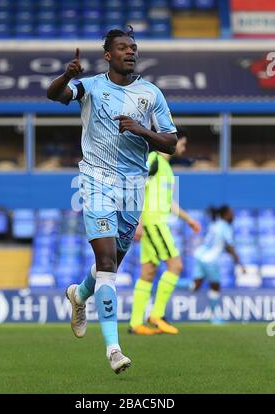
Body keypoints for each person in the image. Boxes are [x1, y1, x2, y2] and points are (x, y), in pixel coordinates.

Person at [47, 26, 177, 374]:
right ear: (108, 55)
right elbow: (54, 95)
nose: (130, 52)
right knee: (106, 263)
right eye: (123, 48)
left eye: (133, 47)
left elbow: (171, 143)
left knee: (112, 263)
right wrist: (66, 75)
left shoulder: (151, 94)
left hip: (133, 188)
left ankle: (78, 295)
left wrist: (143, 130)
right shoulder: (90, 87)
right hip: (95, 181)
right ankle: (114, 350)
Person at [129, 130, 201, 335]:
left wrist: (189, 221)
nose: (184, 149)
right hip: (153, 223)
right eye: (183, 144)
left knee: (148, 271)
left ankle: (135, 323)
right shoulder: (153, 160)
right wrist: (139, 221)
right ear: (174, 142)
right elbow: (137, 188)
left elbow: (168, 202)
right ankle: (157, 315)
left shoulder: (166, 168)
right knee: (176, 265)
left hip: (156, 222)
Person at [190, 205, 245, 324]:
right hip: (210, 259)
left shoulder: (214, 225)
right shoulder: (225, 227)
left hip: (200, 255)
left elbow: (216, 243)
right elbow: (229, 246)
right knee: (215, 286)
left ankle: (172, 284)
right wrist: (239, 263)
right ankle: (214, 317)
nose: (233, 215)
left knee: (195, 286)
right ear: (225, 214)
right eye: (231, 213)